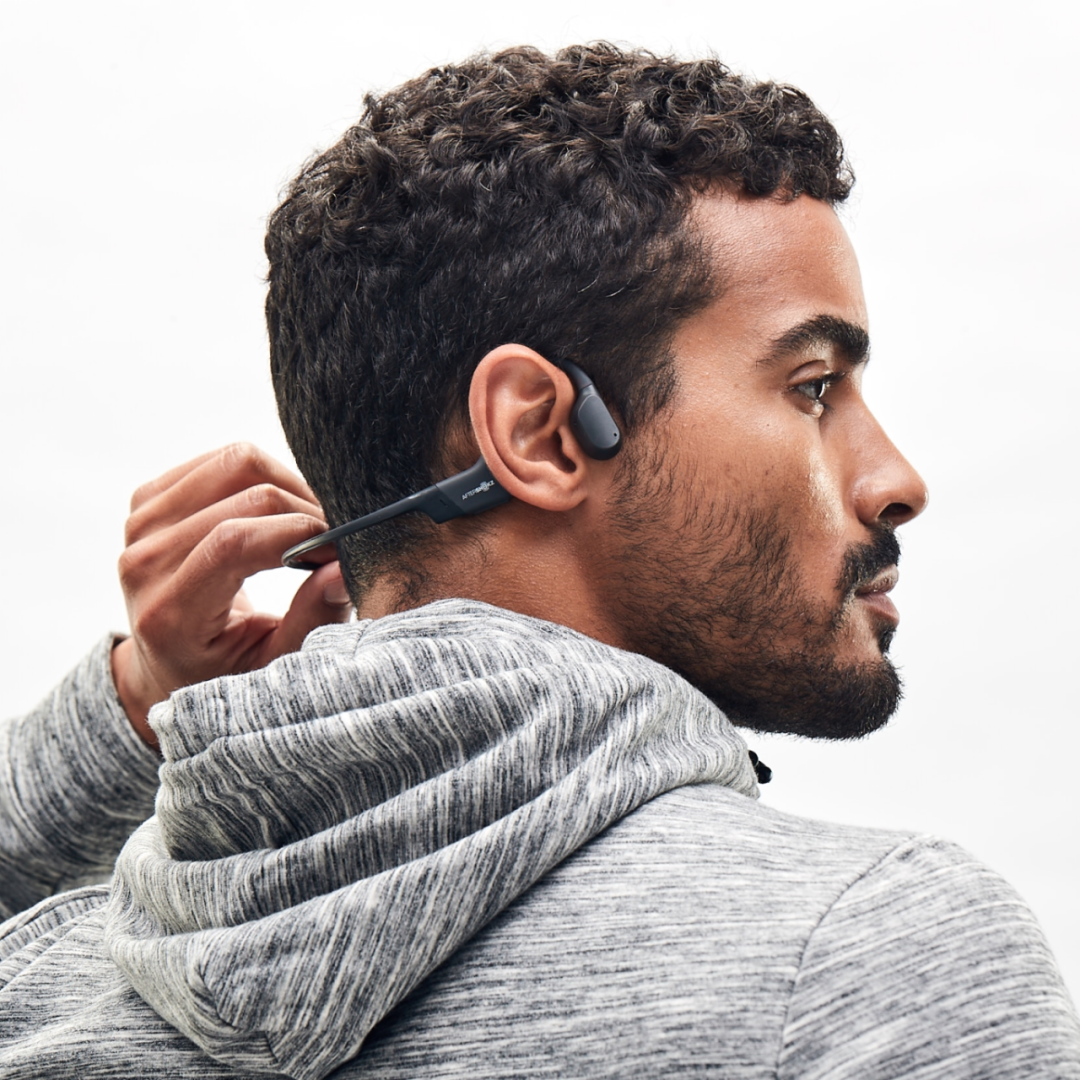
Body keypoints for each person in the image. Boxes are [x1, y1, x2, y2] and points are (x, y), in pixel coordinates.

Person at [0, 43, 1077, 1079]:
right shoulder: (871, 955)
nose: (896, 480)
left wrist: (136, 707)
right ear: (541, 434)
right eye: (813, 387)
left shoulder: (43, 988)